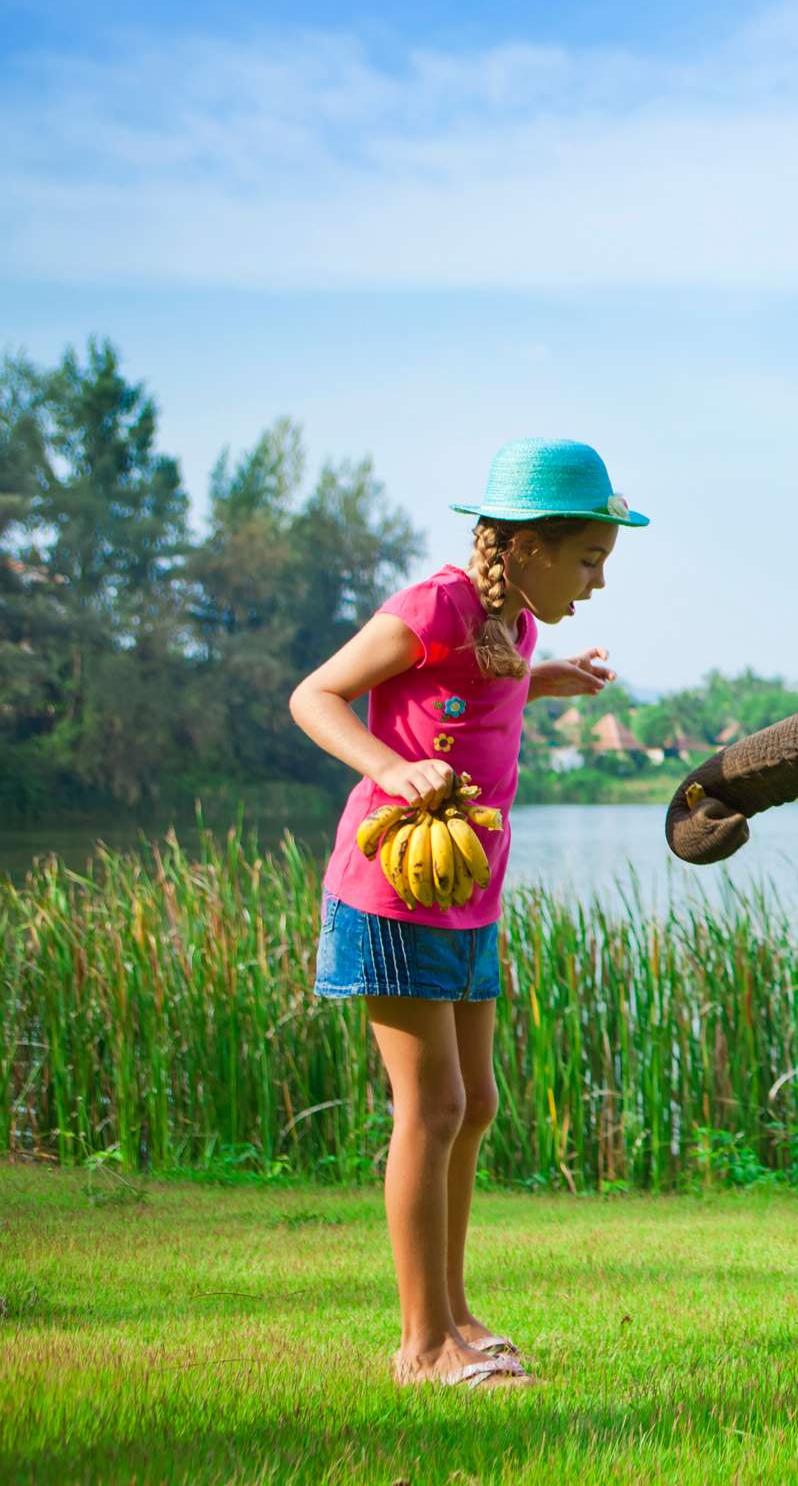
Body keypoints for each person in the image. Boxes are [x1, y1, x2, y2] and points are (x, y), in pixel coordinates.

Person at [289, 438, 645, 1390]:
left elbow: (471, 689)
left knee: (474, 1103)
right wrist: (389, 768)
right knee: (433, 1106)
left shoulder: (513, 624)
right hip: (393, 894)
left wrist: (547, 676)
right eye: (588, 558)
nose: (597, 580)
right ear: (526, 545)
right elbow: (315, 694)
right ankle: (420, 1346)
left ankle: (452, 1312)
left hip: (467, 897)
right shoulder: (432, 605)